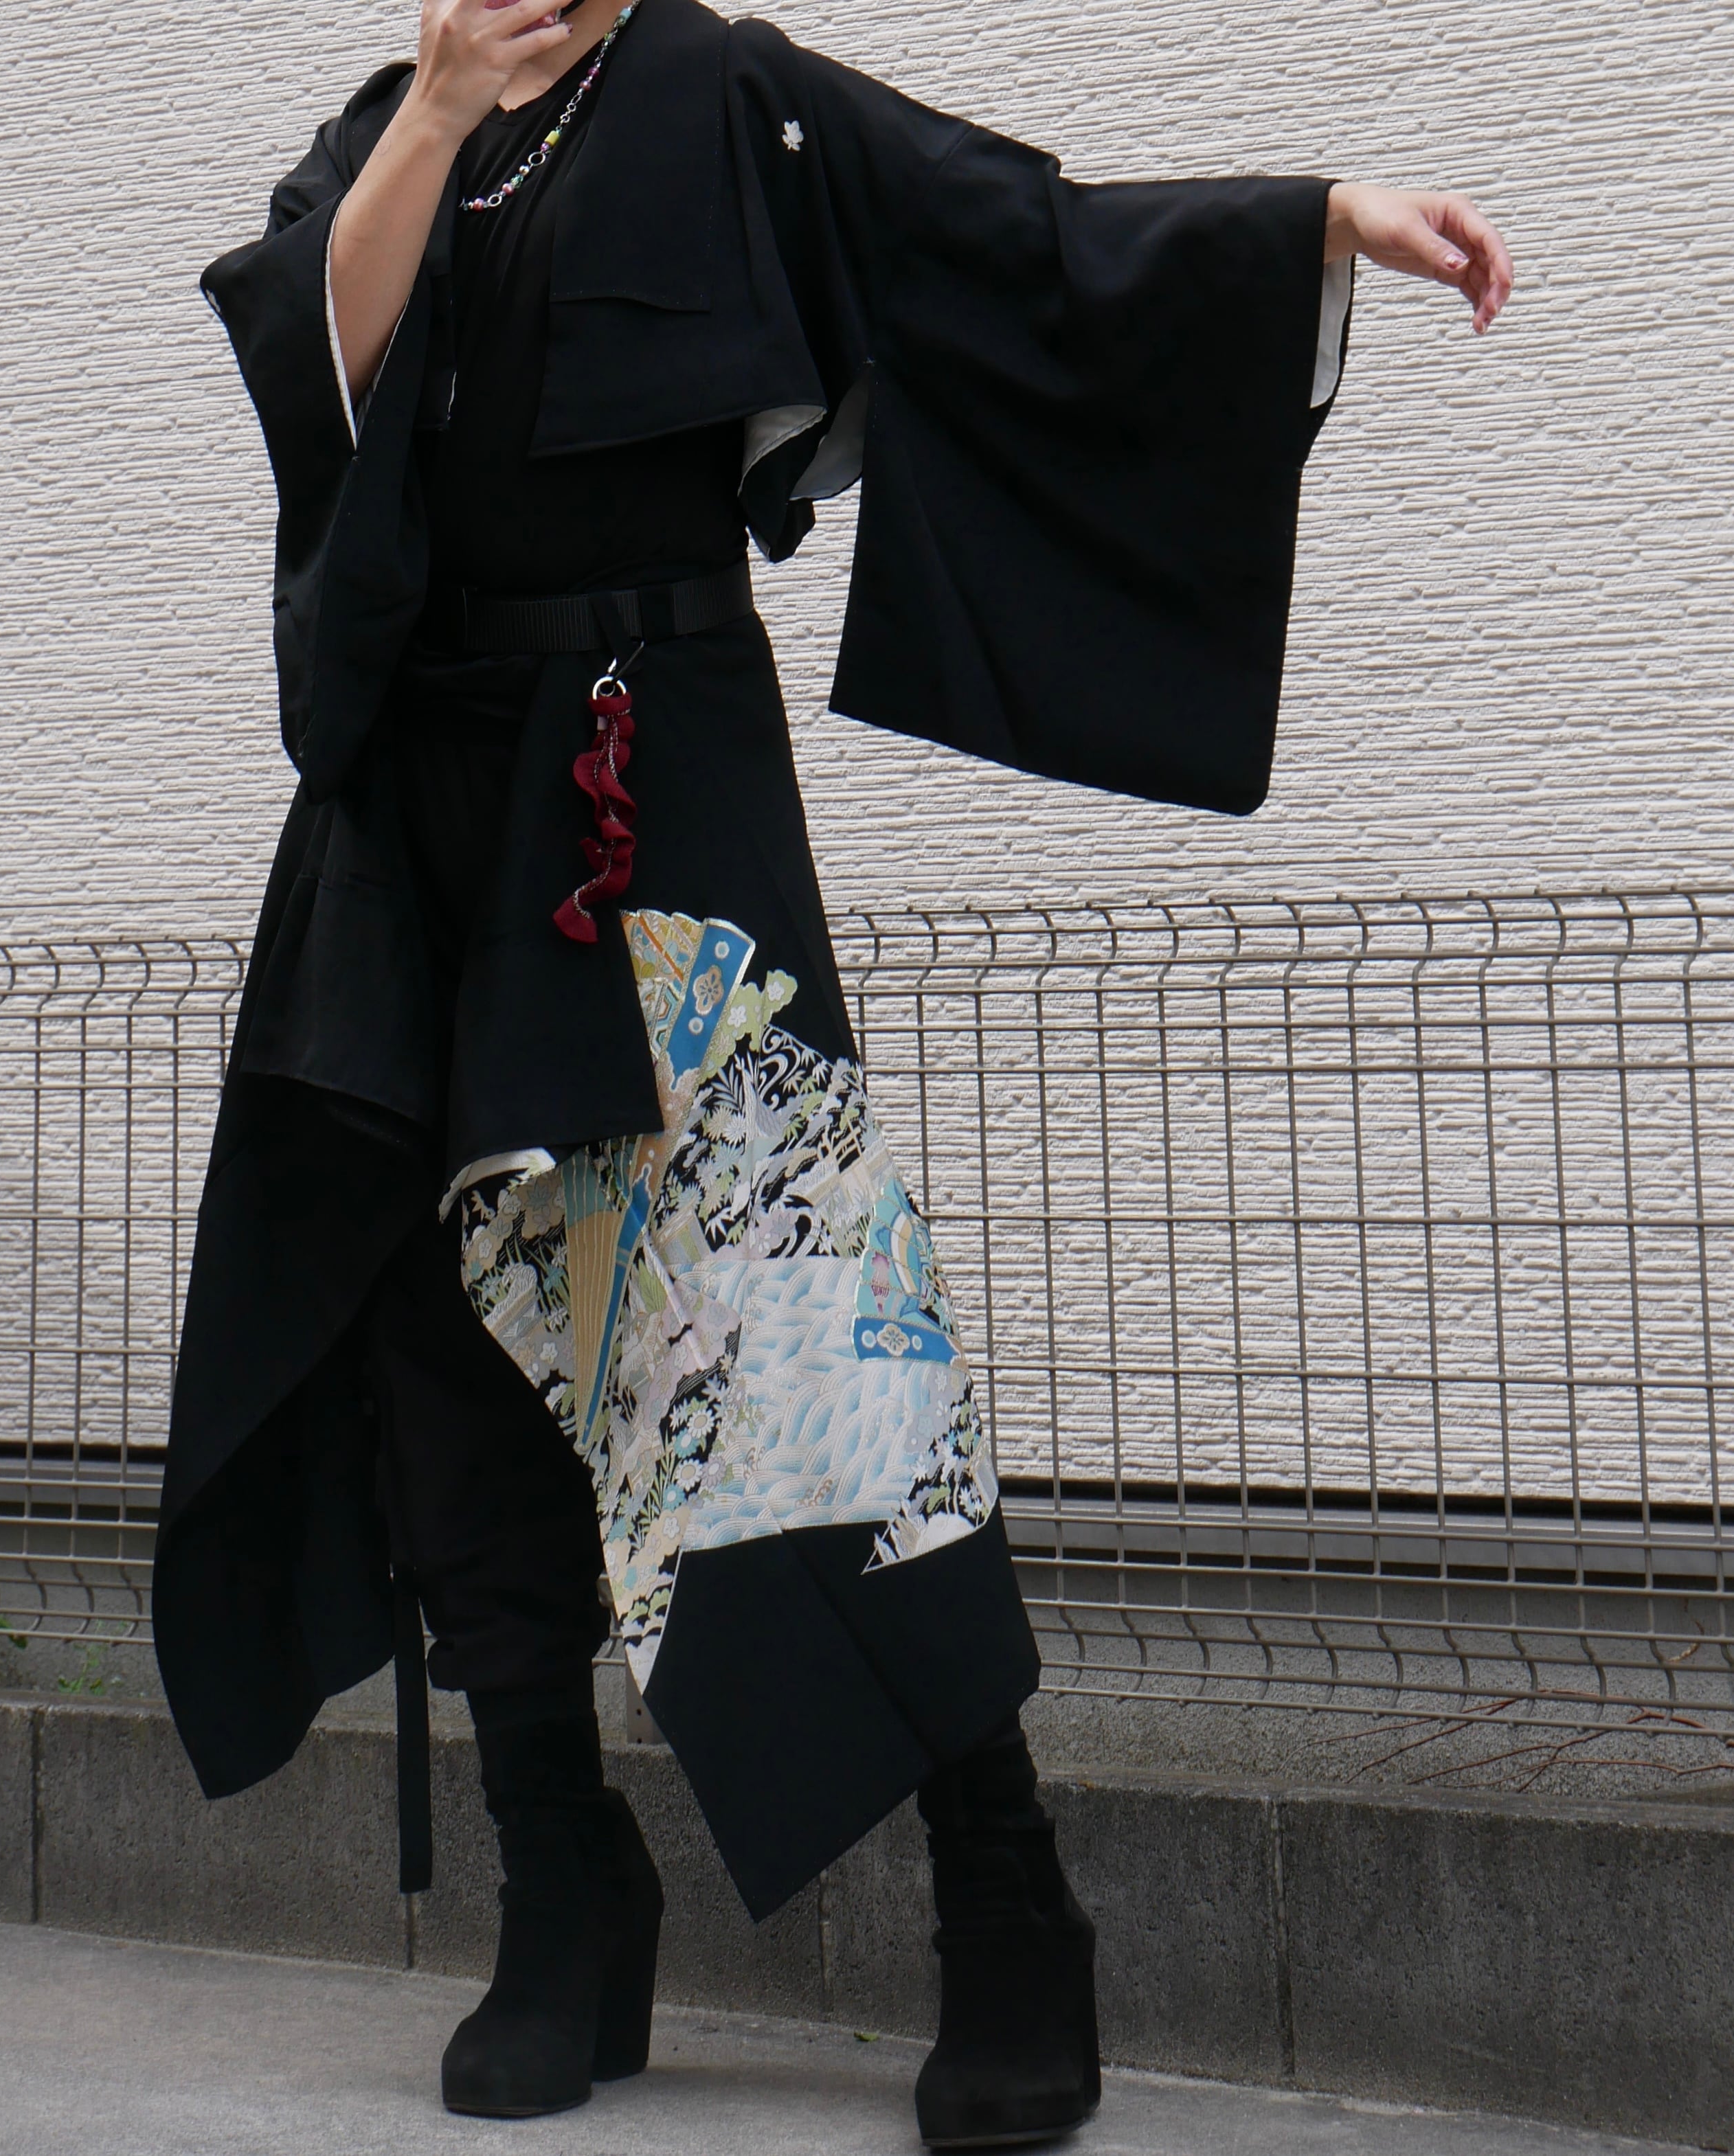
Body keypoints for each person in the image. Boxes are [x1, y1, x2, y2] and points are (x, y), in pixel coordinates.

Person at [155, 0, 1513, 2143]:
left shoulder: (720, 91)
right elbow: (322, 387)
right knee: (455, 1360)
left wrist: (1308, 224)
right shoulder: (381, 129)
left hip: (650, 789)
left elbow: (1002, 234)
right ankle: (562, 1886)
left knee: (801, 1338)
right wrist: (438, 99)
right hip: (412, 828)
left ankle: (1005, 1900)